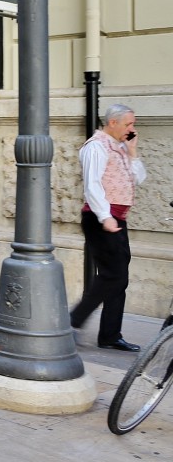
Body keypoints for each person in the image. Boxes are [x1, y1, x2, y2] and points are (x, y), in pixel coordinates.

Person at [70, 104, 147, 352]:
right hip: (99, 219)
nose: (132, 129)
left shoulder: (121, 147)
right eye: (129, 124)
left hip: (116, 220)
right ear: (113, 123)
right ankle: (72, 321)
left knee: (119, 278)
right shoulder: (96, 146)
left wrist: (133, 152)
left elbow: (139, 179)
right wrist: (105, 217)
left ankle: (110, 336)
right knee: (113, 276)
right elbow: (92, 186)